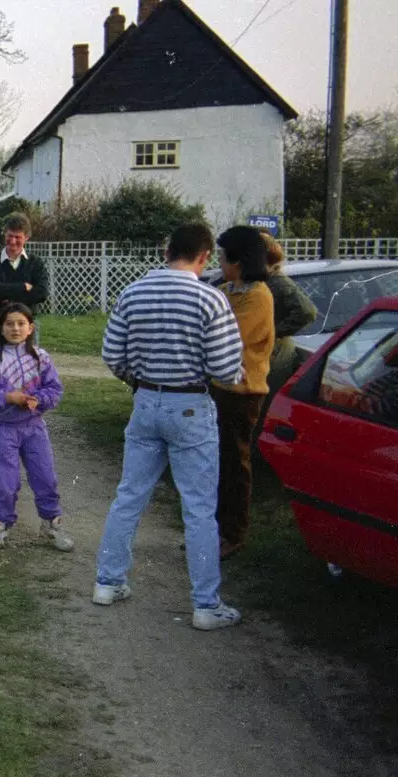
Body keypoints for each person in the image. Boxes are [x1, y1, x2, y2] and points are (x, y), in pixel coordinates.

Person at [94, 222, 245, 631]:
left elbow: (112, 354)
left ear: (166, 250)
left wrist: (139, 378)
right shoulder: (210, 299)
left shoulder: (133, 292)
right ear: (204, 256)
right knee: (198, 507)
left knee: (129, 495)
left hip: (145, 399)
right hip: (191, 404)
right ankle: (205, 603)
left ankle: (108, 582)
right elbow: (227, 369)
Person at [0, 303, 73, 551]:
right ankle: (1, 526)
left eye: (21, 323)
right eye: (9, 324)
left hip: (34, 427)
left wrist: (39, 400)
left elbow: (54, 389)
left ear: (31, 328)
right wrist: (9, 398)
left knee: (45, 476)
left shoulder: (41, 358)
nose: (15, 328)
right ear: (1, 328)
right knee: (6, 482)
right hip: (3, 428)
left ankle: (53, 525)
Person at [210, 226, 276, 559]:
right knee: (215, 462)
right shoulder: (227, 289)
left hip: (242, 391)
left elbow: (229, 335)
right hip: (218, 387)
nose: (219, 262)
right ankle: (214, 529)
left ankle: (234, 533)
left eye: (223, 256)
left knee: (236, 463)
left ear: (239, 260)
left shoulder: (258, 296)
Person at [0, 213, 50, 447]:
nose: (13, 243)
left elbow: (41, 293)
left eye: (18, 238)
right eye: (9, 237)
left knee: (29, 373)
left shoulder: (36, 264)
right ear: (4, 236)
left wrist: (8, 293)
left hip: (27, 327)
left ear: (26, 237)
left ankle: (27, 426)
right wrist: (23, 288)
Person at [259, 231, 317, 387]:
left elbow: (307, 311)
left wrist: (274, 332)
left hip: (276, 355)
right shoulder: (263, 280)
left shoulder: (278, 281)